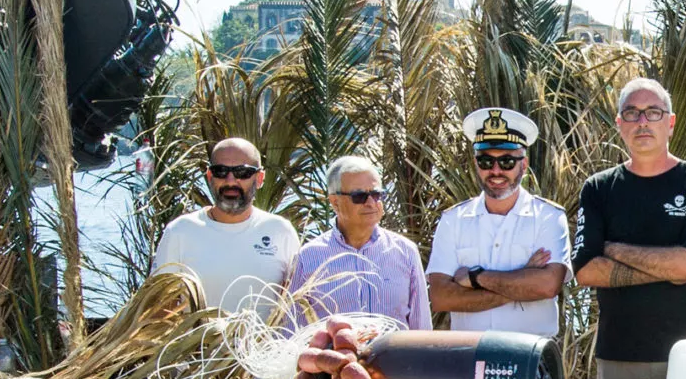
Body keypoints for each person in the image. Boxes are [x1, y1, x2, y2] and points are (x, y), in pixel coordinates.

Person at [573, 78, 686, 379]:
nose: (642, 122)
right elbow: (586, 271)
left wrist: (612, 249)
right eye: (632, 113)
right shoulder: (598, 189)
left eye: (653, 113)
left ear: (670, 123)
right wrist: (666, 266)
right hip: (619, 356)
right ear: (619, 124)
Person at [426, 107, 571, 336]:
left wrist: (475, 277)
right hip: (468, 357)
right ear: (475, 163)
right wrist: (522, 280)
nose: (495, 171)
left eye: (506, 162)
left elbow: (547, 286)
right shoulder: (453, 220)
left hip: (529, 357)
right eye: (485, 161)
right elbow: (441, 298)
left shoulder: (548, 217)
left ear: (523, 164)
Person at [152, 137, 300, 315]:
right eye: (221, 171)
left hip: (265, 343)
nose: (230, 181)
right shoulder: (180, 231)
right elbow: (159, 308)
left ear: (259, 178)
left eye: (242, 172)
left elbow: (296, 302)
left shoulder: (280, 231)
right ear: (210, 176)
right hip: (196, 343)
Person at [289, 155, 430, 329]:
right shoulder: (308, 257)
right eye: (359, 196)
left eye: (376, 194)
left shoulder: (405, 252)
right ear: (335, 202)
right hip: (335, 355)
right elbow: (291, 329)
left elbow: (421, 327)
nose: (371, 203)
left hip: (395, 357)